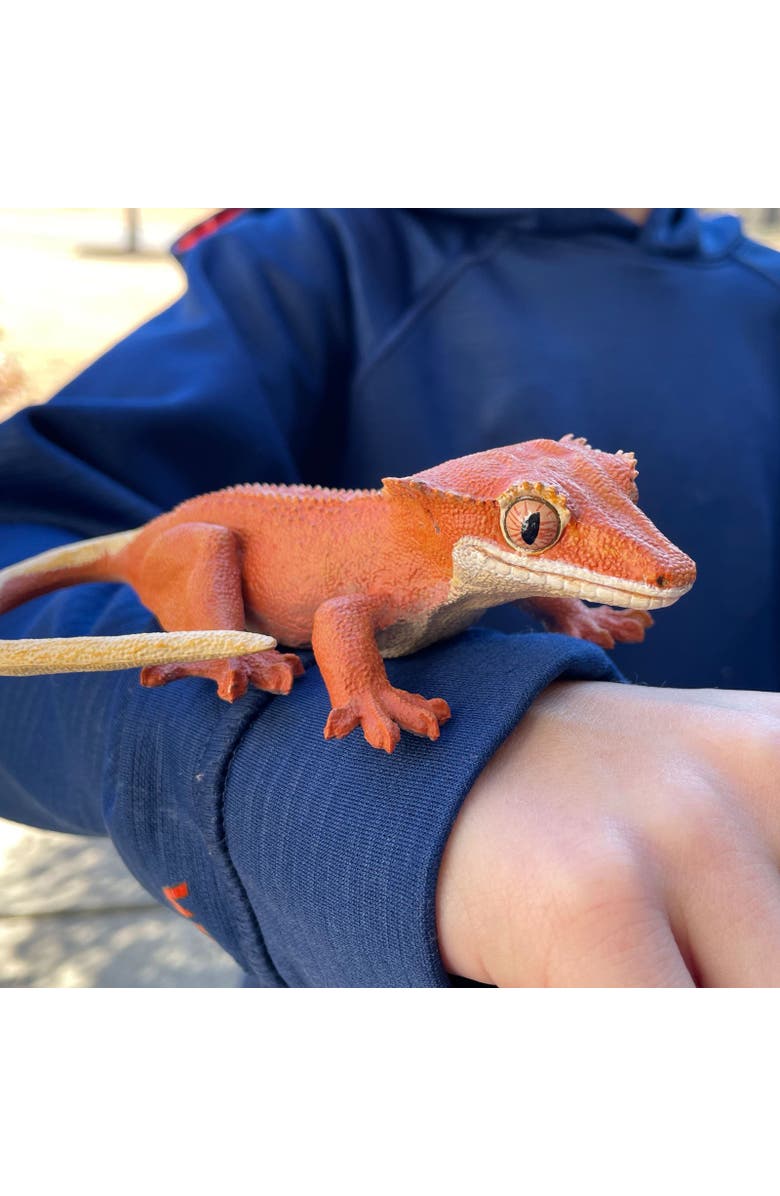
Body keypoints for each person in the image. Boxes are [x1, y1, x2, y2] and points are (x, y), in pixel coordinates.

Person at [1, 207, 779, 987]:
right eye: (534, 526)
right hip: (192, 554)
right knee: (208, 551)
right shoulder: (323, 249)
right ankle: (210, 654)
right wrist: (350, 718)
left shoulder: (761, 294)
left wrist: (564, 607)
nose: (658, 563)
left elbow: (519, 570)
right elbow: (341, 616)